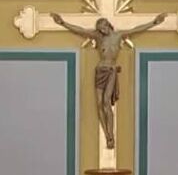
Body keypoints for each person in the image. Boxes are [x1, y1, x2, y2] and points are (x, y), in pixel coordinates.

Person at [51, 12, 166, 149]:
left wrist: (154, 23)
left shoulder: (119, 36)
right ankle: (106, 134)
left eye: (103, 27)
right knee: (99, 103)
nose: (102, 30)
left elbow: (136, 29)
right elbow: (80, 30)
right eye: (99, 29)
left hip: (111, 71)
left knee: (106, 101)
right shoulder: (98, 38)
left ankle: (111, 135)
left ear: (108, 25)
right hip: (100, 70)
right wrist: (63, 23)